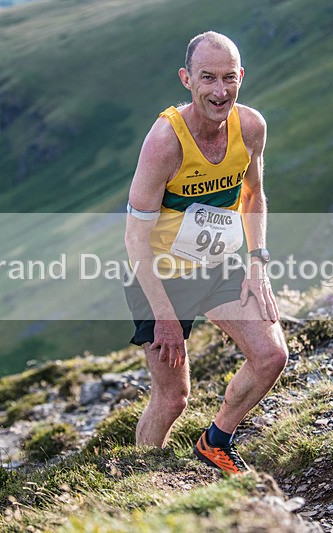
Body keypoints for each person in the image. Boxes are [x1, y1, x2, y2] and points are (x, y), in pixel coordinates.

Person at [123, 31, 288, 474]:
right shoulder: (165, 142)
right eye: (208, 78)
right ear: (186, 79)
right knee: (173, 398)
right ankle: (141, 477)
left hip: (219, 263)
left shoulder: (250, 127)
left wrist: (258, 265)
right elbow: (135, 240)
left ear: (241, 77)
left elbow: (253, 194)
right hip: (159, 273)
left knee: (272, 356)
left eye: (229, 78)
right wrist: (165, 316)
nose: (220, 91)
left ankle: (216, 441)